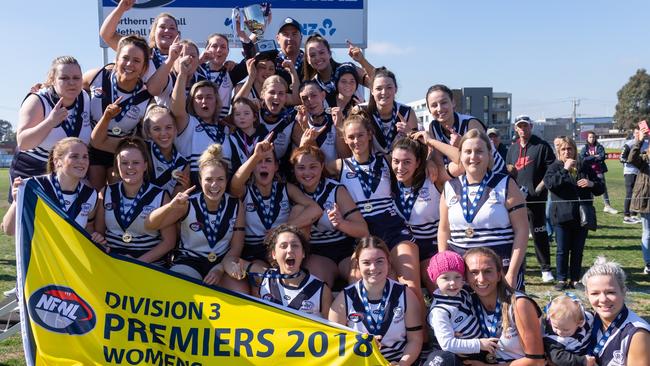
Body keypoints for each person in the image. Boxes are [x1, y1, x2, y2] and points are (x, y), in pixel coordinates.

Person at [325, 112, 423, 301]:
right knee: (357, 285)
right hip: (362, 232)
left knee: (409, 285)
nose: (356, 140)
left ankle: (418, 330)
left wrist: (412, 133)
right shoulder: (337, 166)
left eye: (360, 135)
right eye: (351, 137)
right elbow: (306, 169)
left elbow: (416, 160)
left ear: (369, 134)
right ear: (344, 139)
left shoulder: (387, 160)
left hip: (393, 228)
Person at [146, 144, 247, 292]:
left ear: (226, 180)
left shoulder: (235, 204)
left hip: (221, 262)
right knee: (180, 287)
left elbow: (237, 245)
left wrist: (219, 269)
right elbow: (150, 224)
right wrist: (170, 206)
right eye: (208, 179)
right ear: (200, 180)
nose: (214, 185)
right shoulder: (188, 203)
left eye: (220, 179)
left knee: (240, 291)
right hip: (190, 261)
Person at [438, 129, 528, 290]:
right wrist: (444, 266)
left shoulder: (506, 184)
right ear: (460, 156)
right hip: (463, 273)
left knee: (506, 314)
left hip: (500, 270)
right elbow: (444, 230)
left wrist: (512, 273)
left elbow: (522, 230)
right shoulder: (450, 186)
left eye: (479, 151)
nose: (473, 157)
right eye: (467, 152)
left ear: (489, 155)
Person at [85, 35, 169, 191]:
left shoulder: (146, 97)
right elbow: (69, 87)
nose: (129, 64)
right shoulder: (97, 76)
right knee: (93, 196)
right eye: (125, 58)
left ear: (144, 68)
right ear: (117, 59)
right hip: (91, 148)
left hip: (118, 150)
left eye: (137, 61)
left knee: (116, 197)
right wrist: (45, 85)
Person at [329, 236, 423, 365]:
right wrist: (360, 343)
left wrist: (402, 364)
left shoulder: (404, 294)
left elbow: (415, 339)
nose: (373, 268)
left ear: (388, 262)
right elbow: (335, 344)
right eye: (366, 262)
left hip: (397, 361)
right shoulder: (344, 299)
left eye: (379, 261)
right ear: (357, 264)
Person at [229, 135, 322, 263]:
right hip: (255, 250)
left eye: (267, 160)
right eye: (258, 162)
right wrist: (255, 156)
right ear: (252, 167)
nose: (263, 166)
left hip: (282, 246)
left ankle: (297, 266)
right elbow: (234, 184)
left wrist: (283, 228)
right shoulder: (246, 190)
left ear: (276, 166)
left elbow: (316, 209)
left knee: (300, 209)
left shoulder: (286, 188)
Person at [290, 145, 368, 288]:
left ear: (322, 166)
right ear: (294, 170)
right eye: (301, 168)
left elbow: (363, 231)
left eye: (313, 166)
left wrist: (341, 223)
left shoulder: (336, 189)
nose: (307, 172)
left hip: (346, 250)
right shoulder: (292, 193)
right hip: (316, 252)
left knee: (359, 279)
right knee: (315, 286)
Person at [11, 56, 92, 192]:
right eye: (64, 78)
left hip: (69, 171)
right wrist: (50, 122)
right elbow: (23, 142)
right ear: (52, 80)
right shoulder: (37, 101)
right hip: (34, 169)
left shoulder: (85, 97)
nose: (71, 82)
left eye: (76, 78)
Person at [94, 137, 176, 265]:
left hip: (147, 264)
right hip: (112, 262)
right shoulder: (105, 193)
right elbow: (99, 234)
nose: (130, 167)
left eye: (136, 163)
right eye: (124, 163)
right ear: (117, 166)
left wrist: (138, 263)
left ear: (145, 166)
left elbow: (169, 242)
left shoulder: (160, 196)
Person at [224, 224, 333, 317]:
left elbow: (333, 332)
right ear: (274, 254)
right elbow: (229, 260)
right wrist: (231, 268)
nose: (290, 250)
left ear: (303, 253)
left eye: (295, 245)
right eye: (283, 246)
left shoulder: (320, 289)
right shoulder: (265, 277)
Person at [464, 247, 545, 365]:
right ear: (466, 277)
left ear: (498, 275)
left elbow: (536, 361)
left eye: (488, 271)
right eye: (474, 272)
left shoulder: (518, 304)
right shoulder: (467, 303)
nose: (481, 279)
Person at [3, 138, 97, 236]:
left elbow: (88, 229)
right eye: (74, 156)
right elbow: (9, 230)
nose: (82, 161)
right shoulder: (35, 187)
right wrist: (16, 201)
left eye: (85, 157)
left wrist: (95, 237)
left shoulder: (90, 194)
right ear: (57, 161)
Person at [544, 136, 604, 291]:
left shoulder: (584, 166)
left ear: (575, 150)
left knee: (577, 250)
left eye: (569, 148)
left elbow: (600, 188)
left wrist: (591, 183)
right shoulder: (554, 167)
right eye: (563, 149)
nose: (567, 152)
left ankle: (575, 279)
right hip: (561, 216)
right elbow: (550, 184)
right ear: (558, 151)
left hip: (581, 216)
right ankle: (562, 279)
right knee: (562, 250)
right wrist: (565, 169)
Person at [390, 135, 446, 292]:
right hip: (405, 250)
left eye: (407, 162)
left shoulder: (432, 179)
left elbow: (461, 164)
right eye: (396, 161)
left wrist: (431, 144)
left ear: (418, 163)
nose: (400, 167)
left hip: (432, 249)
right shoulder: (389, 182)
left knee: (434, 282)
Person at [506, 115, 556, 284]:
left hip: (536, 199)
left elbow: (551, 170)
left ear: (531, 127)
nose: (523, 129)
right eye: (520, 126)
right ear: (516, 128)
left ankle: (545, 268)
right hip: (516, 200)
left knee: (539, 233)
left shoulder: (541, 146)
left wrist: (538, 188)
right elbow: (509, 171)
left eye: (525, 126)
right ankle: (520, 266)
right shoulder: (512, 149)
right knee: (516, 235)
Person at [424, 251, 496, 365]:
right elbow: (447, 344)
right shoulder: (439, 311)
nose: (453, 282)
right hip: (460, 355)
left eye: (457, 277)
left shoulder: (463, 293)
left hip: (478, 350)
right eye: (445, 278)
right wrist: (479, 344)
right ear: (435, 280)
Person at [171, 57, 230, 187]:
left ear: (216, 101)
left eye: (209, 97)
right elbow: (176, 109)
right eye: (199, 98)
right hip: (193, 190)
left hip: (222, 189)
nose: (204, 101)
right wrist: (182, 74)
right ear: (192, 102)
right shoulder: (188, 123)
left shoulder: (225, 129)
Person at [425, 84, 506, 177]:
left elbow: (489, 162)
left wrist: (463, 145)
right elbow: (440, 166)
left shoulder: (471, 124)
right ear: (429, 109)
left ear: (453, 103)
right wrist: (429, 161)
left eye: (444, 102)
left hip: (495, 178)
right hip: (466, 182)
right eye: (434, 105)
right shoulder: (433, 127)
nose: (439, 108)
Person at [581, 257, 650, 365]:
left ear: (624, 291)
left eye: (610, 292)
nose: (603, 299)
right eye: (595, 293)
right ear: (587, 295)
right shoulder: (585, 321)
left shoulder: (637, 333)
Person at [302, 34, 374, 107]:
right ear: (307, 59)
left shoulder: (348, 68)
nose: (317, 57)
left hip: (360, 117)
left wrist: (362, 60)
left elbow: (376, 81)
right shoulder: (312, 85)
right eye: (312, 55)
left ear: (329, 53)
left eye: (321, 52)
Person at [360, 68, 418, 154]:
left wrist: (410, 133)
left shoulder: (407, 112)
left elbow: (418, 148)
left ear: (396, 89)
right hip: (370, 164)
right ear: (372, 91)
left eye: (389, 87)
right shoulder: (361, 111)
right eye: (379, 88)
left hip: (399, 164)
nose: (384, 92)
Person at [295, 81, 348, 163]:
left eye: (314, 95)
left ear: (323, 95)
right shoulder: (298, 123)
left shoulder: (337, 119)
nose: (310, 101)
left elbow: (346, 157)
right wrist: (305, 128)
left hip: (336, 173)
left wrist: (338, 127)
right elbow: (304, 160)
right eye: (304, 98)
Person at [543, 295, 596, 366]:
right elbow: (558, 358)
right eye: (555, 327)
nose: (560, 332)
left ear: (579, 323)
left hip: (590, 351)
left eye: (566, 330)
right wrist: (583, 361)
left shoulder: (588, 318)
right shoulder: (552, 338)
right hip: (575, 361)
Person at [226, 97, 270, 175]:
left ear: (254, 117)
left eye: (246, 113)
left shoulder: (265, 135)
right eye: (237, 114)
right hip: (240, 180)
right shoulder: (232, 138)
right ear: (233, 118)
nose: (242, 117)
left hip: (261, 177)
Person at [628, 125, 650, 274]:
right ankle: (648, 263)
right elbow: (631, 158)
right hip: (646, 201)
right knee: (647, 232)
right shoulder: (644, 158)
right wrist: (639, 141)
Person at [580, 131, 617, 214]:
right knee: (590, 188)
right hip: (589, 172)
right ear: (587, 138)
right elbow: (582, 158)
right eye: (590, 137)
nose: (592, 139)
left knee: (603, 188)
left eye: (593, 137)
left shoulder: (599, 147)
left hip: (599, 171)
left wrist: (589, 157)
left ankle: (607, 206)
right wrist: (594, 156)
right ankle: (590, 206)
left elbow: (602, 156)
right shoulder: (584, 148)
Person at [620, 128, 645, 224]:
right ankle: (626, 216)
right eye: (636, 133)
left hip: (640, 172)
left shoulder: (645, 144)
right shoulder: (629, 144)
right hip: (629, 171)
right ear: (634, 134)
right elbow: (621, 158)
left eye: (640, 133)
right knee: (629, 193)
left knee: (638, 193)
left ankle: (634, 214)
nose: (638, 134)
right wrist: (632, 161)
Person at [274, 17, 305, 84]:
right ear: (278, 39)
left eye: (294, 34)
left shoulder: (310, 62)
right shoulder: (271, 62)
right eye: (285, 34)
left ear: (301, 38)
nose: (290, 38)